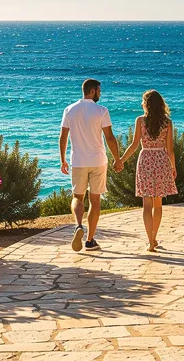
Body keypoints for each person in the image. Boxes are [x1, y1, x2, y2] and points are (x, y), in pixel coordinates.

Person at [60, 78, 121, 252]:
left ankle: (78, 225)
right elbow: (110, 137)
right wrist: (117, 159)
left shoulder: (69, 110)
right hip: (98, 161)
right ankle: (90, 240)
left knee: (77, 197)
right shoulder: (101, 110)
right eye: (99, 91)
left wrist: (62, 159)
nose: (100, 94)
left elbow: (63, 136)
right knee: (95, 200)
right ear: (93, 91)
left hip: (78, 161)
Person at [113, 89, 177, 252]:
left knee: (146, 204)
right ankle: (154, 238)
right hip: (161, 160)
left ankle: (150, 241)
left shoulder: (140, 121)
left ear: (147, 104)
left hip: (145, 161)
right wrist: (173, 168)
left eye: (143, 101)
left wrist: (121, 160)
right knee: (158, 204)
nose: (141, 104)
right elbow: (170, 150)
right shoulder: (167, 122)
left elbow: (134, 145)